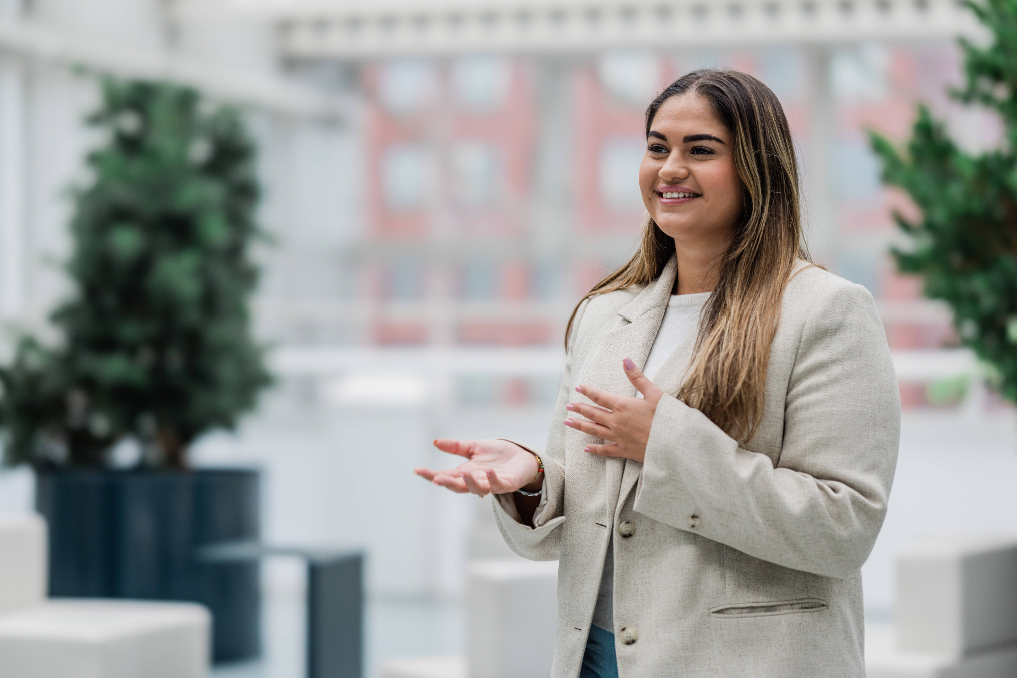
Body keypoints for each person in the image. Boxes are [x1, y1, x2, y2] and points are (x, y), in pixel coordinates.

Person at [415, 69, 900, 678]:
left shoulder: (826, 311)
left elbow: (843, 526)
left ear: (757, 168)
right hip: (596, 655)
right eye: (656, 148)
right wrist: (534, 481)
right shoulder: (603, 316)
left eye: (701, 150)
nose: (670, 168)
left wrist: (665, 444)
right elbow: (593, 512)